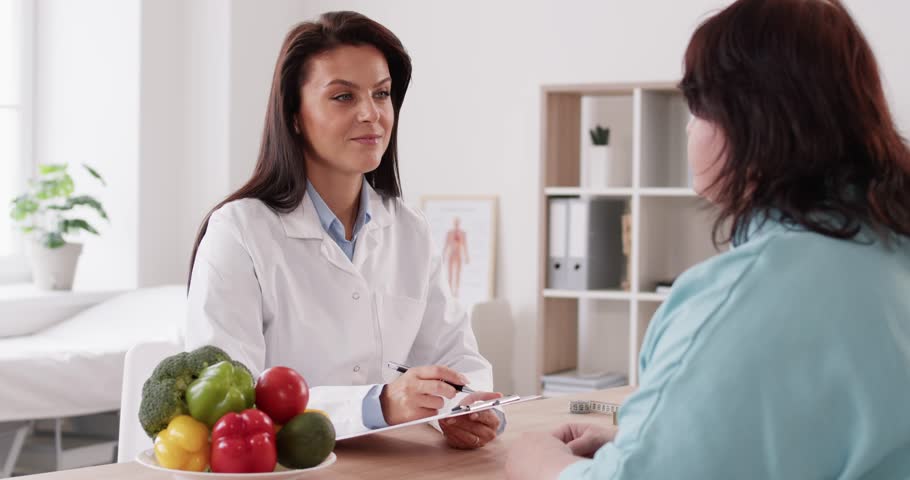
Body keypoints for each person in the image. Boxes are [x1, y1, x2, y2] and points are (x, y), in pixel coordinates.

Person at [506, 0, 910, 477]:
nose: (687, 126)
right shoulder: (889, 251)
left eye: (695, 107)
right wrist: (651, 441)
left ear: (749, 118)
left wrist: (537, 462)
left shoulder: (744, 297)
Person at [185, 11, 503, 449]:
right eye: (342, 97)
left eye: (382, 94)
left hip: (396, 465)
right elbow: (227, 400)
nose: (371, 114)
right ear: (294, 115)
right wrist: (378, 405)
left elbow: (455, 356)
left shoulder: (409, 230)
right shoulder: (238, 232)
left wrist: (470, 410)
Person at [443, 216, 469, 297]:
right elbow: (446, 245)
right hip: (451, 254)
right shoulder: (449, 233)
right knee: (450, 273)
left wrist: (466, 256)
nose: (456, 224)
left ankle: (456, 291)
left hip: (458, 255)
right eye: (455, 222)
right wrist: (443, 255)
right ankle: (450, 291)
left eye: (457, 222)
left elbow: (465, 245)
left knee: (458, 273)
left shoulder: (463, 233)